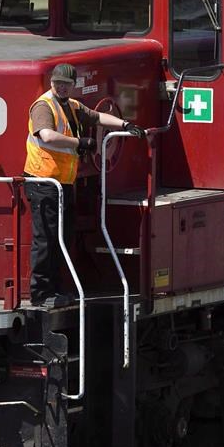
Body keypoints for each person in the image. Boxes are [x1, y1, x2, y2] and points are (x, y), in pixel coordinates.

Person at [24, 63, 145, 308]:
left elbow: (97, 116)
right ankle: (40, 293)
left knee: (62, 238)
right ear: (52, 83)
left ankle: (56, 290)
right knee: (46, 239)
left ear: (73, 85)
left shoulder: (72, 105)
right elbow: (46, 135)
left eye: (66, 84)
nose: (61, 87)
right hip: (43, 181)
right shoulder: (44, 106)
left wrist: (125, 125)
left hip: (63, 183)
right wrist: (80, 142)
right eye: (58, 82)